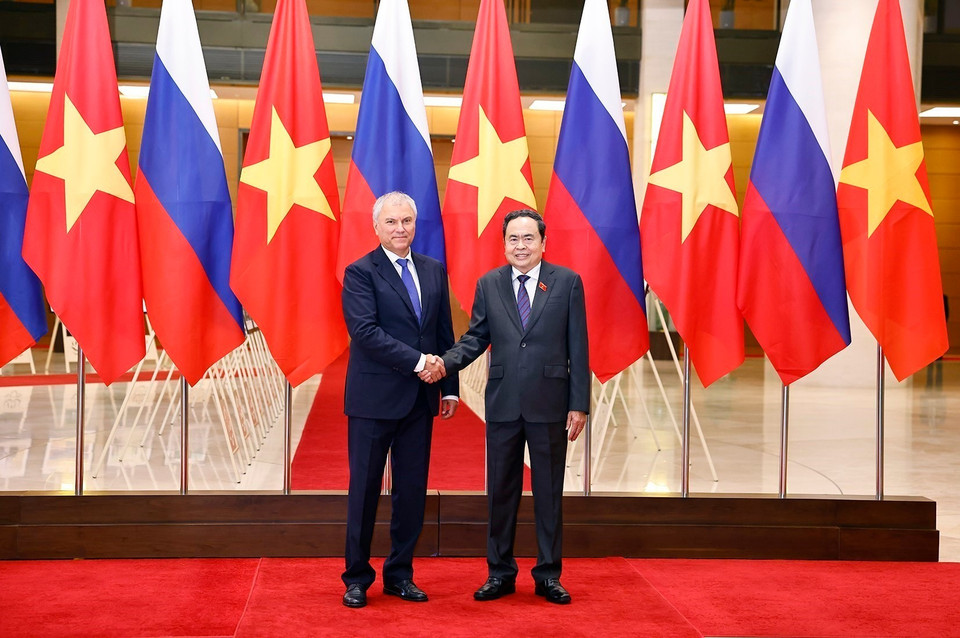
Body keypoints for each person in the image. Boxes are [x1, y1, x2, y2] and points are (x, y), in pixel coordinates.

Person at [423, 209, 589, 605]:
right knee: (500, 492)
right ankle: (500, 573)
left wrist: (579, 403)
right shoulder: (490, 284)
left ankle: (549, 575)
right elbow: (476, 337)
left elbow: (578, 347)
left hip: (551, 404)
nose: (521, 246)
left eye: (528, 238)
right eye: (513, 239)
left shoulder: (566, 283)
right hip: (503, 405)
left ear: (543, 243)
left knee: (549, 493)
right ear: (504, 244)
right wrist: (445, 363)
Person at [340, 191, 458, 608]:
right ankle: (356, 578)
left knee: (411, 492)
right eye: (391, 222)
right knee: (365, 491)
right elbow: (366, 333)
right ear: (376, 227)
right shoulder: (360, 272)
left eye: (406, 221)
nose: (400, 229)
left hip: (420, 401)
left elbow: (444, 333)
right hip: (373, 400)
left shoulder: (433, 269)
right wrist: (419, 361)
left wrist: (451, 385)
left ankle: (400, 574)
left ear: (415, 223)